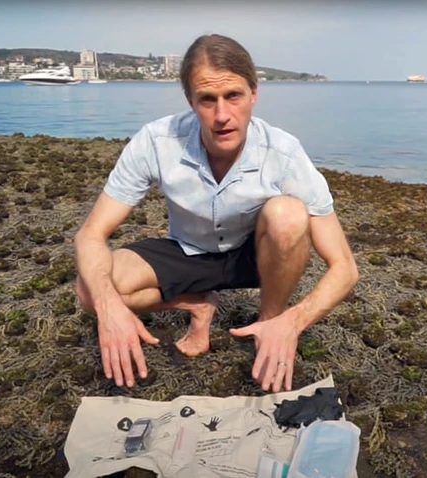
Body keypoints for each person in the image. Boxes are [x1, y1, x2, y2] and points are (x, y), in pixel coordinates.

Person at [74, 34, 358, 394]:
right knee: (89, 292)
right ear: (190, 101)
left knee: (288, 214)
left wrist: (291, 322)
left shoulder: (283, 153)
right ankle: (198, 303)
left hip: (251, 256)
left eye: (233, 96)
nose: (222, 115)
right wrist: (109, 308)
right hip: (188, 250)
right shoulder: (156, 142)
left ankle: (268, 321)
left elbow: (345, 267)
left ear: (254, 94)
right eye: (207, 99)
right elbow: (90, 235)